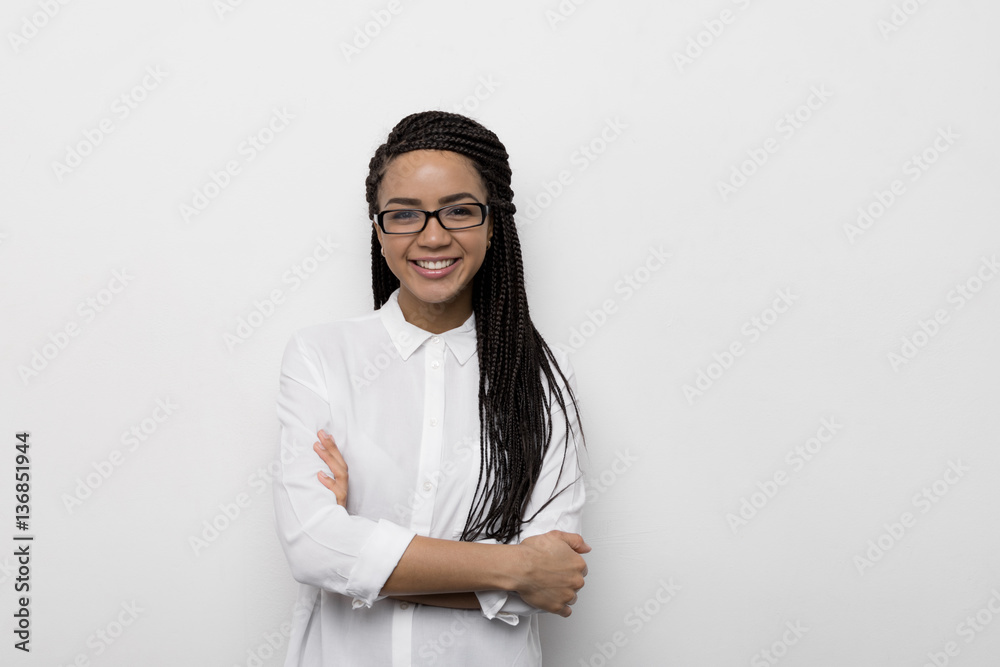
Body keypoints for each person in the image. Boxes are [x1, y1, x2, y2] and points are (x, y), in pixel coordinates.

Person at [273, 110, 589, 666]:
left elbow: (555, 579)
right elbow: (312, 549)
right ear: (378, 229)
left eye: (460, 211)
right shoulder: (320, 356)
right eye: (404, 215)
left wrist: (359, 553)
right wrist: (513, 569)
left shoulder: (539, 378)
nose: (433, 236)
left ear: (494, 224)